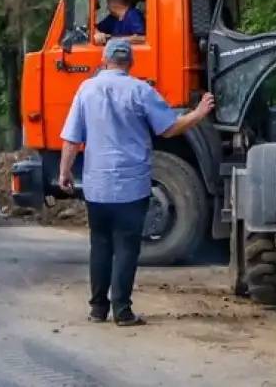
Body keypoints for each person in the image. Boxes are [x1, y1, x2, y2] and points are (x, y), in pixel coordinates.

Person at [58, 38, 214, 326]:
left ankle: (97, 309)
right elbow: (169, 129)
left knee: (101, 245)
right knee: (127, 247)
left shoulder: (86, 90)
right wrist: (198, 114)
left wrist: (65, 173)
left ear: (104, 60)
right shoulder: (141, 91)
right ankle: (122, 310)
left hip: (98, 185)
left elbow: (71, 139)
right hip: (131, 186)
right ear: (130, 62)